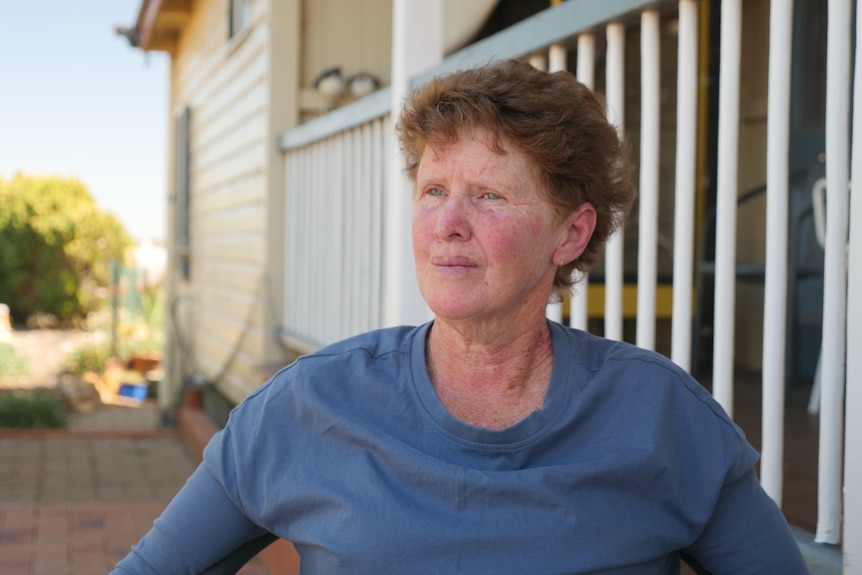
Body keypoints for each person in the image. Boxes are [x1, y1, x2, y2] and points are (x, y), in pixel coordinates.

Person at [112, 59, 810, 574]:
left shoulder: (660, 415)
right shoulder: (307, 405)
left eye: (489, 196)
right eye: (433, 189)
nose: (447, 222)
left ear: (570, 233)